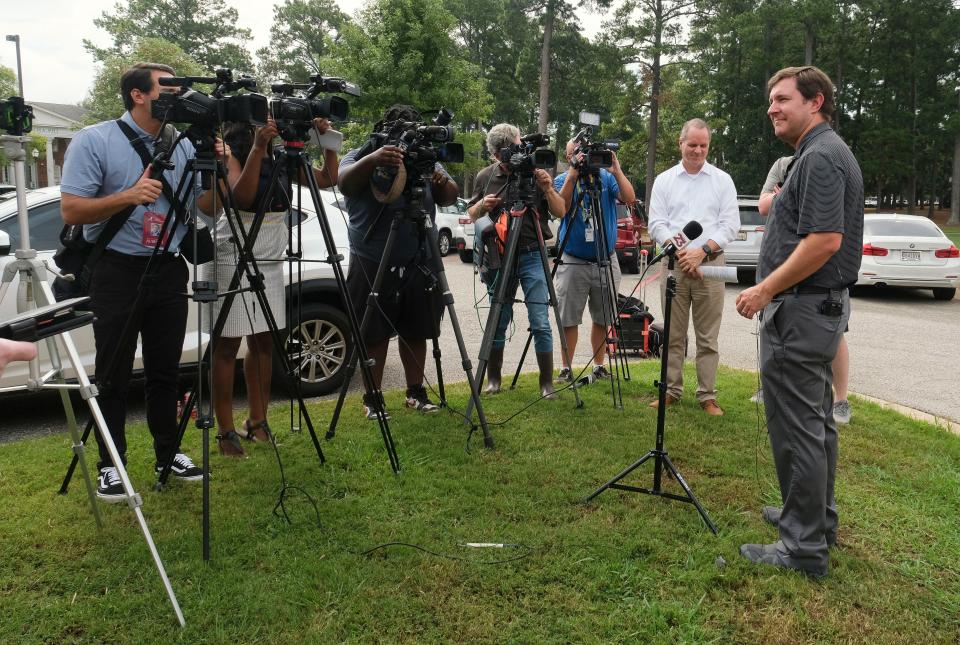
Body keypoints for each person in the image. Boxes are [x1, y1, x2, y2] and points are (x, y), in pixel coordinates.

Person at [60, 62, 229, 502]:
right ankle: (111, 464)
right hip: (116, 268)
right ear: (138, 94)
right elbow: (72, 210)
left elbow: (207, 209)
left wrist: (218, 169)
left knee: (165, 371)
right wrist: (129, 195)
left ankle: (168, 452)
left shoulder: (185, 145)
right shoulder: (95, 139)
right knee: (113, 371)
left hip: (169, 267)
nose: (179, 95)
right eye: (167, 88)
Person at [736, 66, 864, 577]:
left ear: (815, 102)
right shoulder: (815, 153)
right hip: (812, 309)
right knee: (814, 425)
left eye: (782, 98)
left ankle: (802, 548)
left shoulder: (822, 157)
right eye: (771, 99)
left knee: (798, 431)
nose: (772, 107)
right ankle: (814, 518)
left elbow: (824, 241)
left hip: (802, 310)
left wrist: (767, 288)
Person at [205, 116, 340, 456]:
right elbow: (242, 197)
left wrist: (328, 142)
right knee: (226, 345)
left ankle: (257, 420)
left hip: (269, 258)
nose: (272, 121)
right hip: (232, 254)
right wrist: (257, 148)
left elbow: (327, 179)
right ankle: (225, 431)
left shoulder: (283, 158)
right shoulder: (233, 153)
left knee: (264, 342)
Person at [337, 104, 459, 419]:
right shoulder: (363, 153)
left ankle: (415, 393)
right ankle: (372, 399)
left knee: (417, 329)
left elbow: (450, 195)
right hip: (372, 258)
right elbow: (345, 182)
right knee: (374, 332)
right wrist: (375, 160)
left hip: (419, 257)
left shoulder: (423, 157)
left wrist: (439, 178)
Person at [647, 118, 740, 415]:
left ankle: (707, 396)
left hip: (710, 266)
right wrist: (681, 250)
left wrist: (702, 250)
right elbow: (656, 224)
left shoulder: (722, 180)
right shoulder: (664, 180)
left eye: (703, 145)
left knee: (707, 338)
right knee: (673, 334)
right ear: (681, 143)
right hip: (675, 265)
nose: (698, 151)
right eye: (692, 145)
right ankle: (671, 390)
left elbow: (730, 225)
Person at [467, 124, 566, 398]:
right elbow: (472, 214)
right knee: (499, 318)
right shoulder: (486, 176)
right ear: (498, 155)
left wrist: (547, 189)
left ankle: (547, 384)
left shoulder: (535, 174)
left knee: (540, 321)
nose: (519, 152)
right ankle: (493, 380)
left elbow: (560, 210)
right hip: (499, 257)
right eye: (512, 148)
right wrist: (482, 206)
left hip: (533, 253)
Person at [755, 156, 852, 425]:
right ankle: (771, 387)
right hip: (782, 260)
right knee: (772, 324)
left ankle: (841, 401)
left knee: (835, 335)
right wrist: (785, 197)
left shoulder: (829, 159)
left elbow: (824, 214)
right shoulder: (783, 165)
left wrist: (783, 196)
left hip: (820, 269)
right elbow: (763, 205)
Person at [553, 138, 636, 382]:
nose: (580, 158)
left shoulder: (605, 178)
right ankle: (566, 368)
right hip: (573, 259)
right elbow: (561, 209)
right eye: (574, 154)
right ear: (568, 157)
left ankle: (598, 366)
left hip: (605, 259)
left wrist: (616, 169)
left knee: (603, 317)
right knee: (568, 318)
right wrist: (572, 175)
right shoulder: (563, 179)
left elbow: (629, 198)